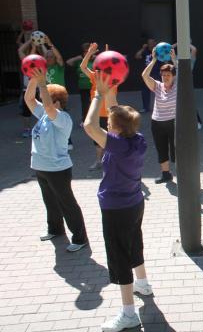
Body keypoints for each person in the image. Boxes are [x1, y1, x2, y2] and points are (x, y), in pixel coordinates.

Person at [83, 72, 153, 332]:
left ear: (115, 128)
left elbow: (89, 127)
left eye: (110, 121)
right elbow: (116, 111)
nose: (107, 121)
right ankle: (143, 283)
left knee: (120, 256)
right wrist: (109, 85)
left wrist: (97, 94)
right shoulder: (137, 139)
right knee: (134, 242)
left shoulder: (117, 146)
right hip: (134, 204)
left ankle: (128, 314)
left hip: (116, 208)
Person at [24, 67, 88, 252]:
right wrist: (34, 80)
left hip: (58, 169)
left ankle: (80, 238)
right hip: (41, 166)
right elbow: (29, 99)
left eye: (47, 99)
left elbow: (49, 108)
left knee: (67, 204)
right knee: (49, 201)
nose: (43, 103)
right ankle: (56, 229)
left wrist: (43, 83)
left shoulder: (62, 118)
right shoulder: (44, 115)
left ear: (57, 102)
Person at [79, 43, 119, 171]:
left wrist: (108, 58)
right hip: (97, 114)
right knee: (97, 141)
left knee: (112, 139)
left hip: (110, 114)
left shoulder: (113, 79)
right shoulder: (95, 77)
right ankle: (99, 162)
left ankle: (113, 162)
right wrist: (90, 53)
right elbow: (83, 66)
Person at [142, 47, 177, 183]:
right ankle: (166, 174)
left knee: (176, 150)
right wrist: (154, 60)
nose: (165, 77)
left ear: (173, 76)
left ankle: (182, 174)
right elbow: (144, 76)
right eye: (163, 75)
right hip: (157, 123)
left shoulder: (177, 85)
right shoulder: (157, 86)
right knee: (161, 148)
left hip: (173, 122)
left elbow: (184, 73)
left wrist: (174, 59)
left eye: (168, 75)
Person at [173, 41, 202, 129]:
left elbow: (194, 49)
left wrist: (185, 41)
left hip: (187, 84)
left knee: (190, 104)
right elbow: (168, 49)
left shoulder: (191, 57)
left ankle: (197, 122)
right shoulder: (177, 56)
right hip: (176, 83)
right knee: (177, 104)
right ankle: (179, 123)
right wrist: (178, 42)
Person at [66, 42, 95, 125]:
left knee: (95, 103)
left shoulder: (95, 60)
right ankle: (84, 120)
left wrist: (93, 55)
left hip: (94, 87)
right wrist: (81, 57)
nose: (87, 53)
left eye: (88, 51)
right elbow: (68, 62)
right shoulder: (79, 61)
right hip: (83, 87)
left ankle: (95, 120)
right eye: (85, 52)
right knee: (85, 104)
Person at [135, 38, 161, 113]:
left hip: (157, 74)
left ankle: (160, 107)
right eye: (149, 43)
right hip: (147, 75)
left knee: (159, 91)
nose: (151, 44)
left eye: (152, 43)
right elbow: (137, 56)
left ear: (155, 43)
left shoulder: (158, 51)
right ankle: (146, 107)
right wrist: (143, 48)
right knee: (145, 91)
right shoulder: (145, 51)